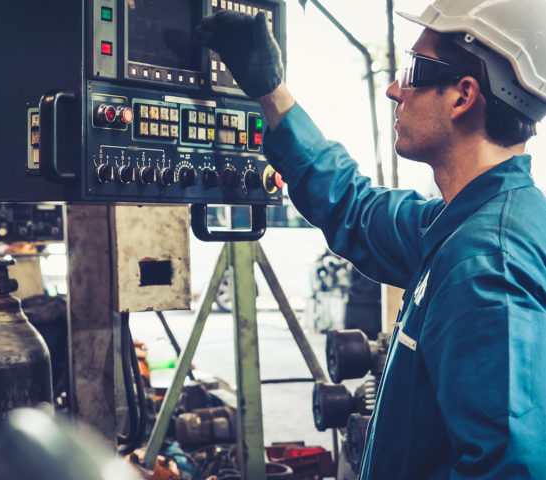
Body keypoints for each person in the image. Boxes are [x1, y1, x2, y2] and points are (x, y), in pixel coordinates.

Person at [196, 0, 546, 478]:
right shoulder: (464, 226)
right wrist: (270, 91)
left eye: (414, 69)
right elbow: (355, 207)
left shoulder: (484, 263)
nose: (394, 88)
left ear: (463, 95)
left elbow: (510, 469)